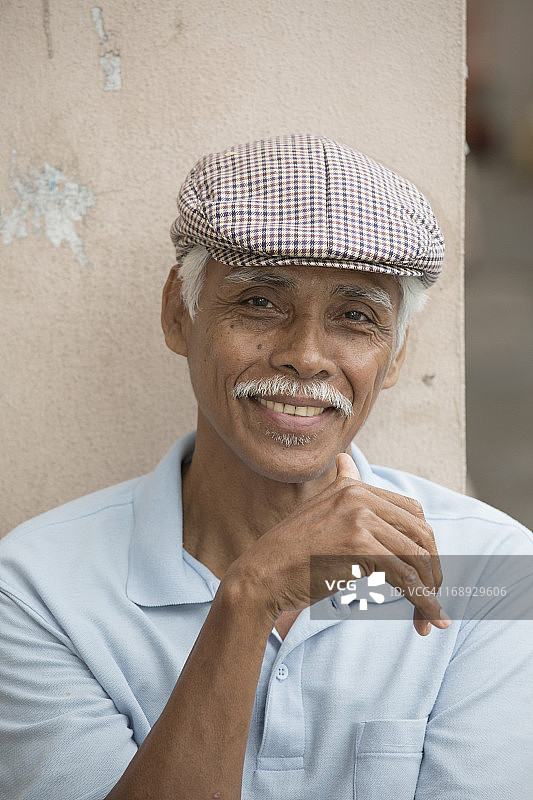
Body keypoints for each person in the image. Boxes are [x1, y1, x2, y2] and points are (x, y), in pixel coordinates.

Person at [0, 134, 532, 800]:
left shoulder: (484, 569)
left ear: (394, 357)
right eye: (258, 302)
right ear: (179, 313)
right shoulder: (40, 589)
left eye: (355, 316)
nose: (305, 355)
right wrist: (248, 600)